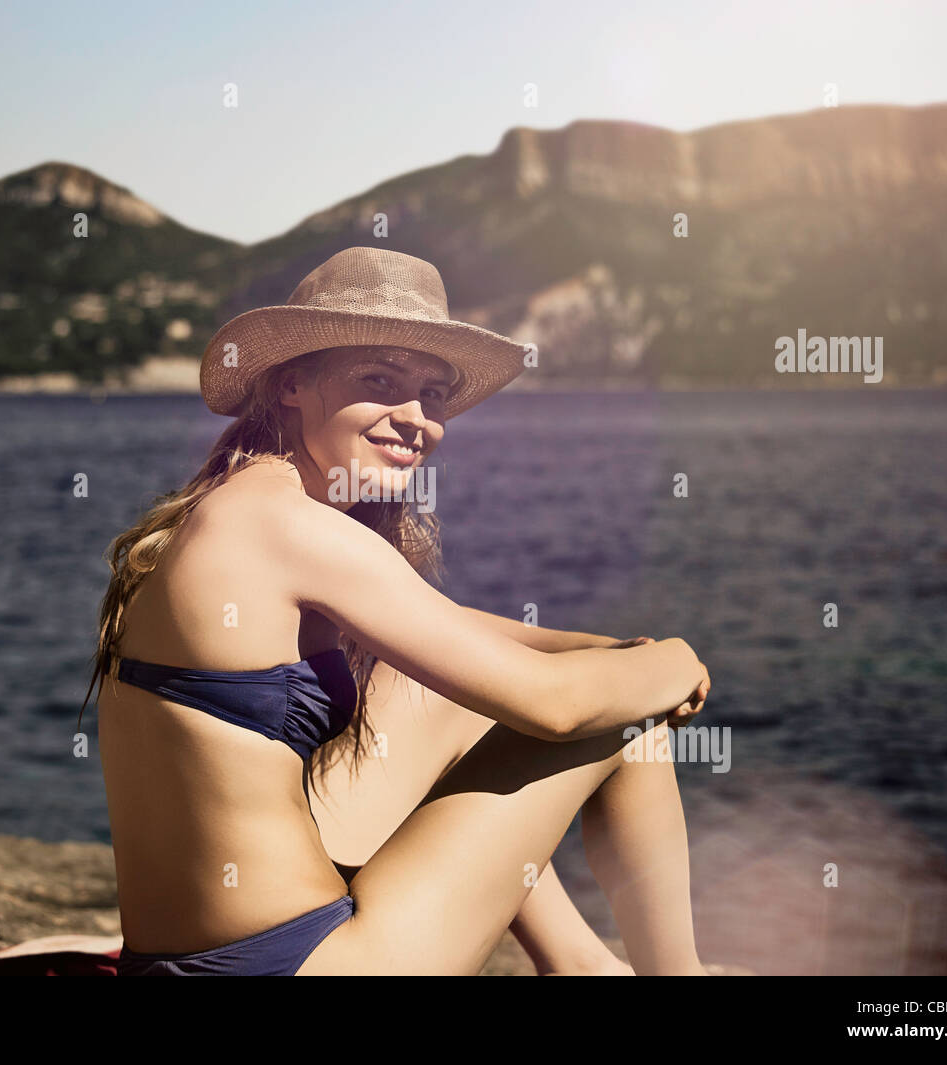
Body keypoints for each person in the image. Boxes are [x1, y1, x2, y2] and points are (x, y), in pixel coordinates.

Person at [81, 247, 711, 975]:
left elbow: (442, 630)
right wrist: (672, 660)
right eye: (380, 381)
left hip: (184, 962)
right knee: (621, 711)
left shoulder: (241, 505)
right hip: (296, 963)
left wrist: (605, 646)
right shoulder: (292, 526)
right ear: (292, 382)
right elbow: (555, 708)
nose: (417, 420)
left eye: (433, 395)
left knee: (479, 687)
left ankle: (583, 964)